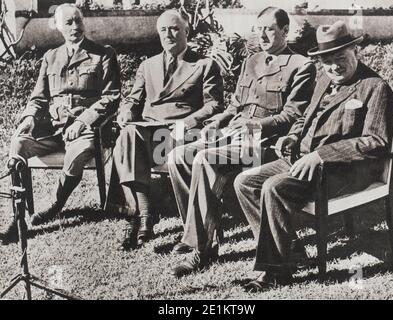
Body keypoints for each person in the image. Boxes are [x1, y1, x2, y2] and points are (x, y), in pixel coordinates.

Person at [234, 21, 393, 291]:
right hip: (303, 159)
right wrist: (293, 137)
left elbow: (375, 141)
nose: (334, 67)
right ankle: (293, 251)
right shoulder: (324, 79)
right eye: (327, 61)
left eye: (340, 58)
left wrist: (321, 155)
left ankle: (274, 272)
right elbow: (304, 118)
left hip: (342, 171)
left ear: (355, 51)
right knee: (245, 182)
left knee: (274, 187)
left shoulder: (374, 87)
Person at [168, 7, 316, 277]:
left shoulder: (301, 65)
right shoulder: (252, 60)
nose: (262, 35)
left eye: (269, 29)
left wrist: (254, 125)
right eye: (258, 29)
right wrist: (218, 120)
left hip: (265, 141)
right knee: (178, 156)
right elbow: (236, 104)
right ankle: (206, 230)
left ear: (285, 31)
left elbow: (293, 115)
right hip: (234, 132)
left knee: (203, 158)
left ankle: (202, 249)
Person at [0, 4, 121, 245]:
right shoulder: (50, 57)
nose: (75, 27)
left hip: (87, 131)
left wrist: (85, 120)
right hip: (54, 128)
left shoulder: (103, 54)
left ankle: (55, 204)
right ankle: (19, 217)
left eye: (78, 21)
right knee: (19, 144)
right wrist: (29, 118)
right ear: (57, 26)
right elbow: (38, 98)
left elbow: (112, 97)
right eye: (68, 23)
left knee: (76, 153)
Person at [112, 9, 224, 250]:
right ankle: (143, 215)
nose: (168, 34)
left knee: (128, 143)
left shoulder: (204, 65)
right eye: (163, 30)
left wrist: (189, 122)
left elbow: (214, 104)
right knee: (128, 134)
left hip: (181, 134)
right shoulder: (148, 65)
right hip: (150, 132)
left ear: (186, 31)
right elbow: (134, 99)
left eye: (174, 28)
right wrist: (126, 112)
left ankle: (138, 217)